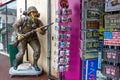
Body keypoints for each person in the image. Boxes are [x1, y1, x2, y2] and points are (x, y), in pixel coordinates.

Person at [13, 6, 46, 71]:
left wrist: (40, 31)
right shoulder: (23, 19)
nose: (35, 14)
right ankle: (15, 63)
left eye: (35, 12)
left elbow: (43, 32)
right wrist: (18, 34)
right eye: (33, 12)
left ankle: (35, 64)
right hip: (23, 38)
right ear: (29, 13)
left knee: (37, 50)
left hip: (33, 38)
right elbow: (15, 26)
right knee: (21, 53)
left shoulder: (38, 21)